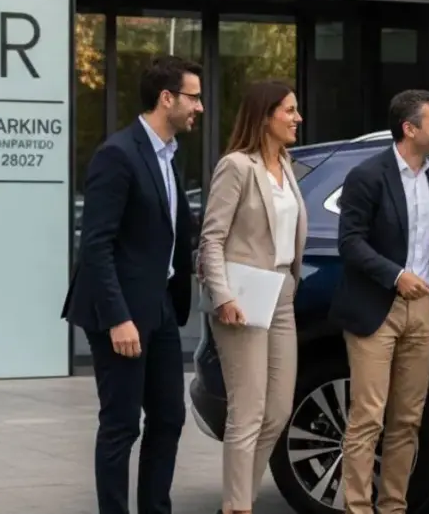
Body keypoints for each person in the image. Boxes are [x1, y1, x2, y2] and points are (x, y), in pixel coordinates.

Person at [330, 89, 429, 514]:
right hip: (374, 310)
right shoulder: (367, 176)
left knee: (408, 419)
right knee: (368, 417)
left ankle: (393, 507)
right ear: (409, 129)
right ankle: (358, 509)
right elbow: (350, 243)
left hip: (423, 310)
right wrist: (397, 276)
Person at [62, 55, 204, 514]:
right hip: (119, 310)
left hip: (158, 305)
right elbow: (96, 246)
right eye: (193, 97)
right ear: (166, 98)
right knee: (121, 424)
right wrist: (118, 318)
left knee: (169, 418)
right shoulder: (118, 155)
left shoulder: (170, 156)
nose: (199, 107)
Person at [198, 80, 308, 514]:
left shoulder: (287, 165)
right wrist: (222, 296)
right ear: (265, 116)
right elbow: (211, 239)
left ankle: (240, 499)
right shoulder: (237, 166)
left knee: (277, 411)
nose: (298, 118)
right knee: (247, 411)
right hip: (242, 297)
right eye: (289, 110)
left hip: (282, 293)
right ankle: (238, 506)